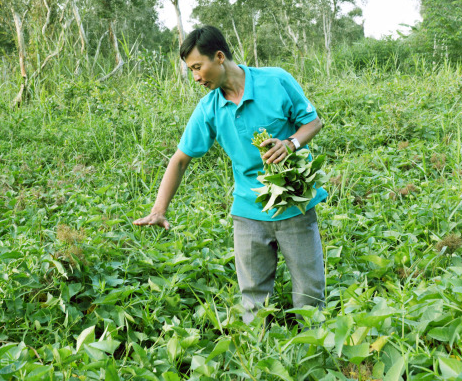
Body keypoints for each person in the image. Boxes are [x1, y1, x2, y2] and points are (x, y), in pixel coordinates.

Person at [134, 25, 327, 324]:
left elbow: (313, 122)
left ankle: (314, 351)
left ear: (220, 57)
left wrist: (291, 144)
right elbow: (180, 159)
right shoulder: (209, 107)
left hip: (294, 205)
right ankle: (258, 354)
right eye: (191, 70)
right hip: (249, 211)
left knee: (309, 291)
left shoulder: (276, 80)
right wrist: (159, 210)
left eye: (198, 67)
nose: (196, 77)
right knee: (252, 297)